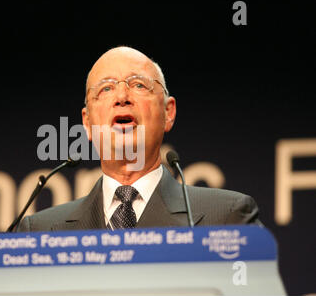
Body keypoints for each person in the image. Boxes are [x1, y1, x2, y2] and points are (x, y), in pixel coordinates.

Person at [17, 46, 260, 232]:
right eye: (106, 88)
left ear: (168, 112)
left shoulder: (227, 217)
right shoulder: (40, 232)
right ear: (88, 123)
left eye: (139, 85)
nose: (122, 96)